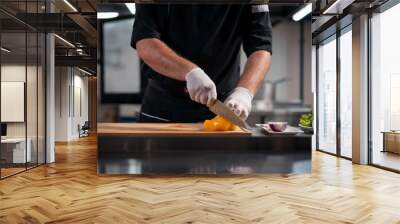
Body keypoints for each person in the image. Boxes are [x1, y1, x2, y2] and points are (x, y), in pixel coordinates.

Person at [131, 4, 272, 123]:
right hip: (163, 110)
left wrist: (244, 92)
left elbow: (261, 47)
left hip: (223, 110)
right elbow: (145, 42)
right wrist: (190, 72)